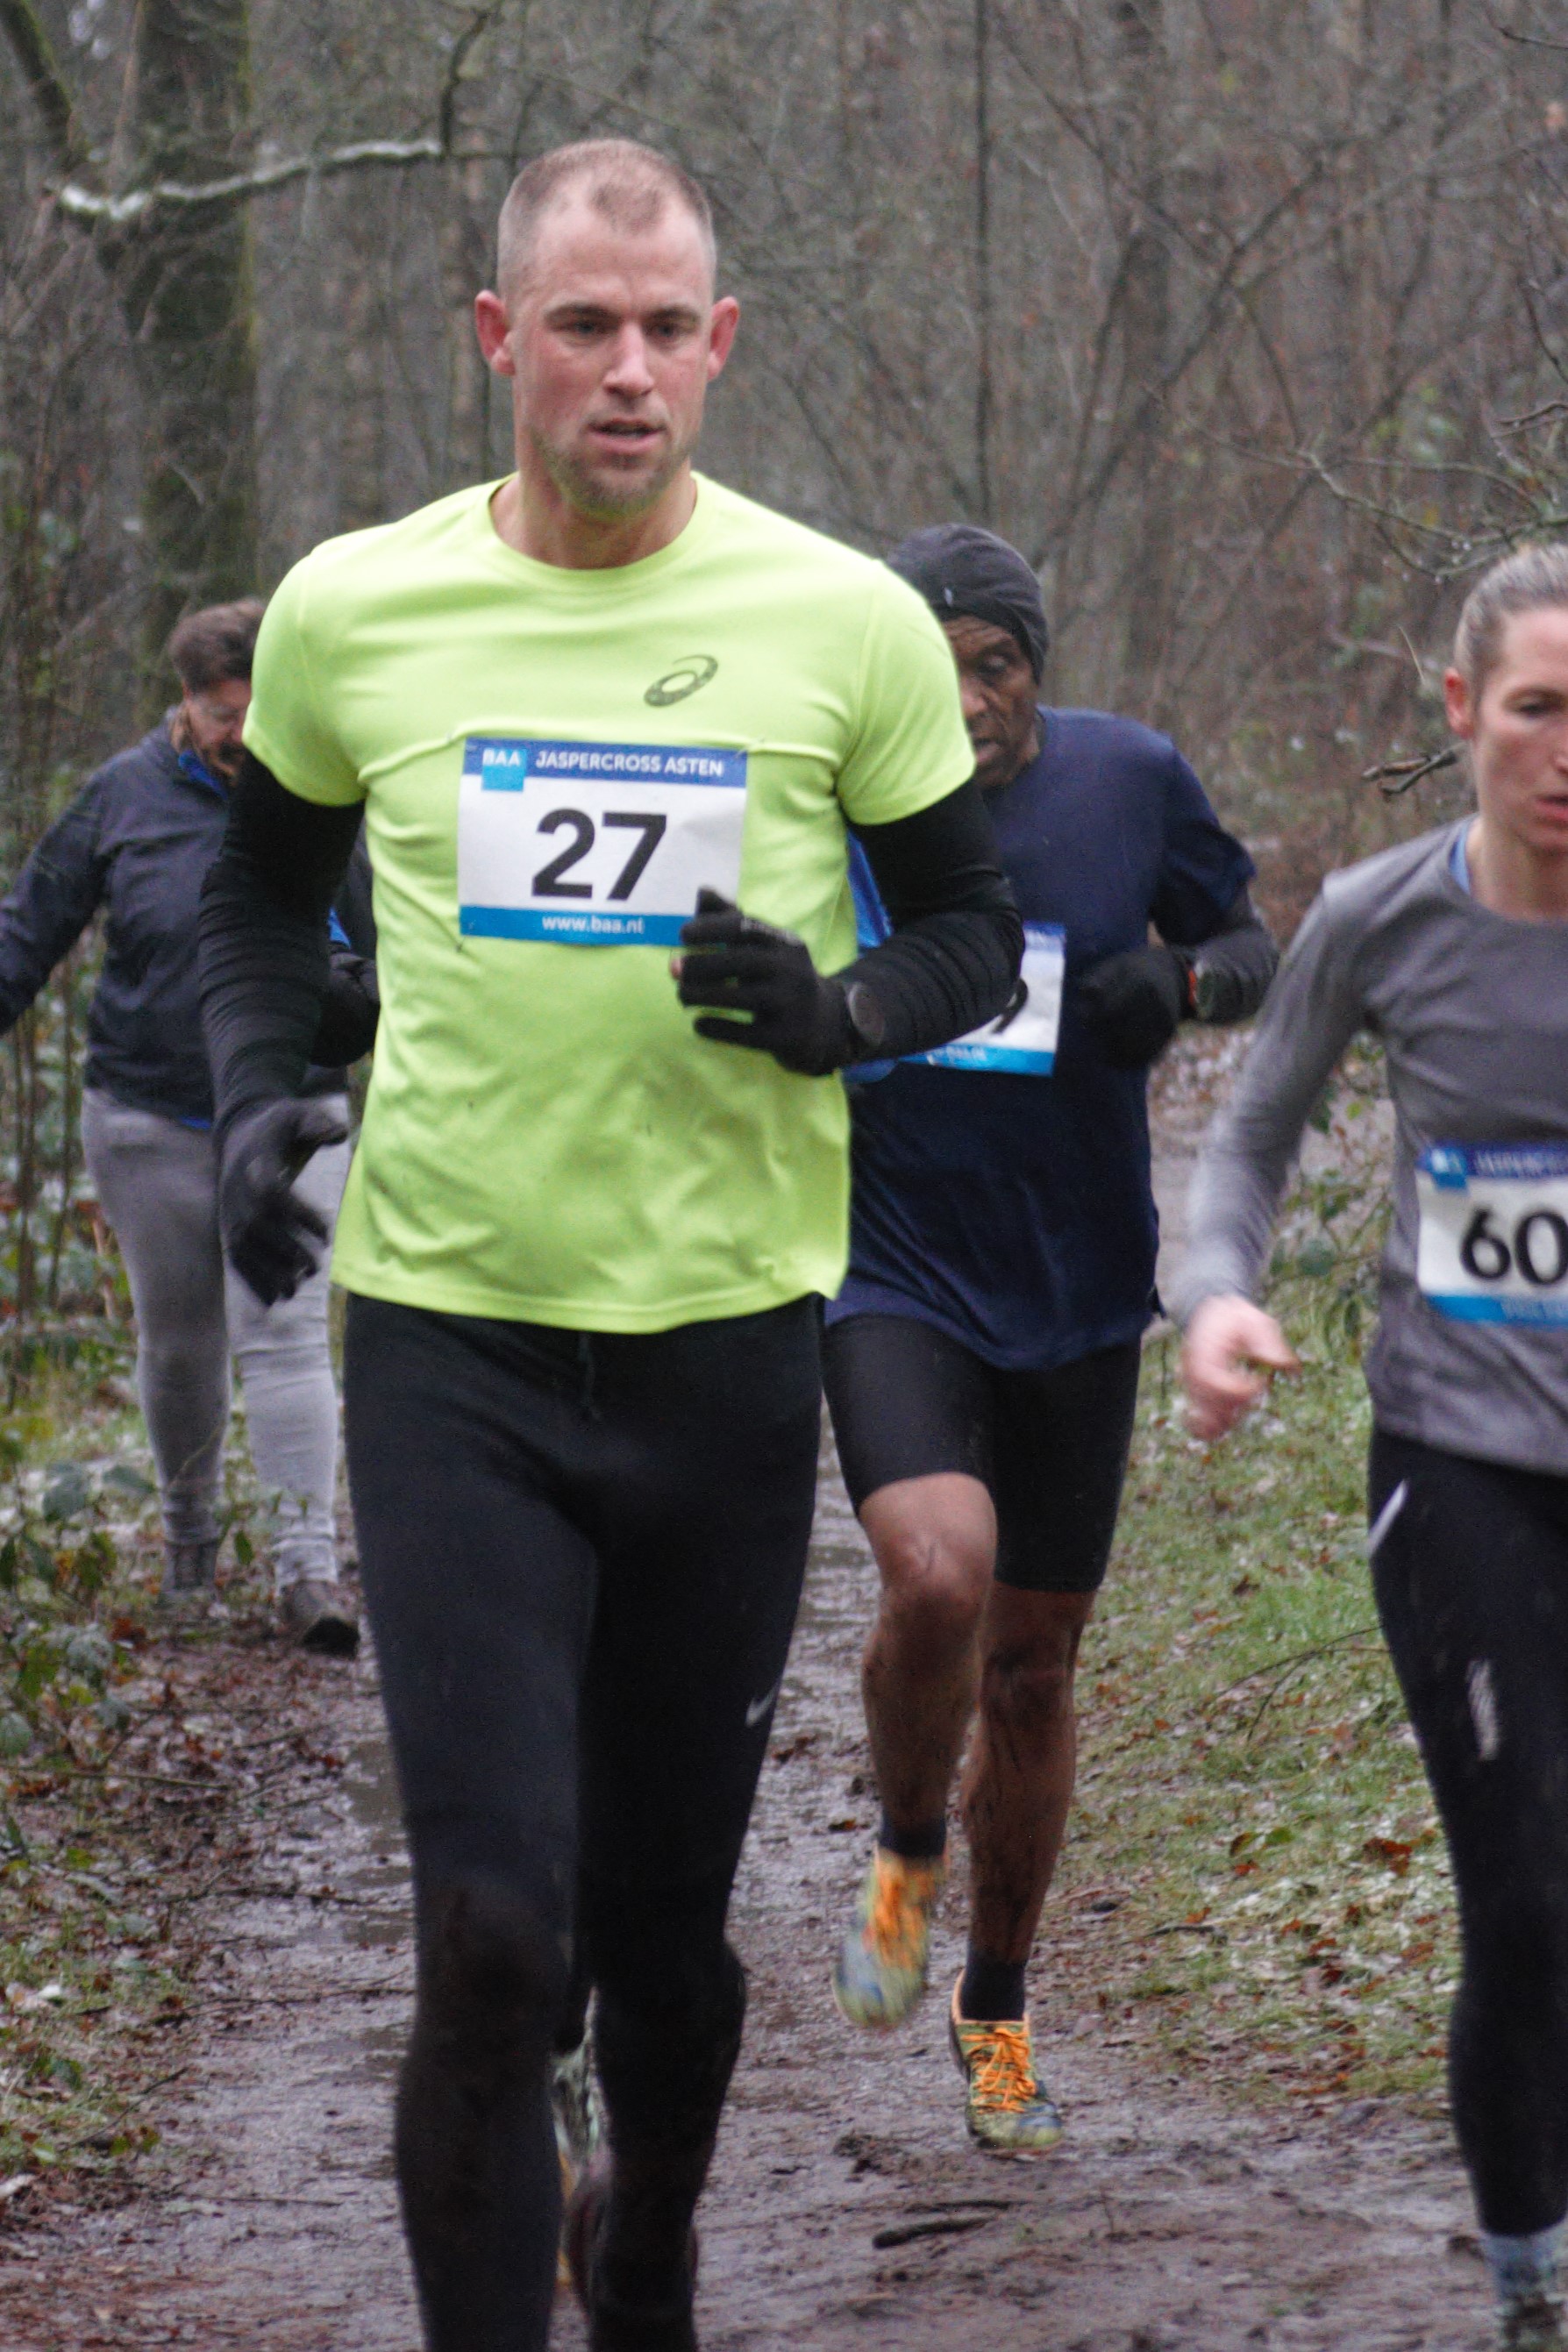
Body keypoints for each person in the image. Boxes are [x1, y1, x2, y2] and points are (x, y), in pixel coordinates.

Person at [196, 140, 1021, 2352]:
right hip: (450, 1341)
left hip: (719, 1353)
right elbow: (257, 901)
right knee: (490, 1935)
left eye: (667, 329)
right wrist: (259, 1088)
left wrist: (838, 1012)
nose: (628, 369)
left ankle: (644, 2229)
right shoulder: (353, 608)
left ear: (721, 345)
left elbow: (968, 930)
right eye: (584, 325)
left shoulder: (840, 621)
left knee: (660, 1944)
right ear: (502, 341)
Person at [822, 524, 1277, 2152]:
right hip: (890, 1270)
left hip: (1079, 1287)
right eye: (932, 666)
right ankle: (903, 1845)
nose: (966, 699)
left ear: (1036, 670)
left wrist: (1180, 984)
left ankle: (997, 2006)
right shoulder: (835, 789)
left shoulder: (1126, 779)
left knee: (1029, 1671)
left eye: (994, 665)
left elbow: (1250, 949)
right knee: (936, 1577)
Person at [1177, 542, 1568, 2352]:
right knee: (1530, 1891)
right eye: (1537, 709)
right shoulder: (1379, 914)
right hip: (1459, 1461)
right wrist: (1216, 1297)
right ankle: (1529, 2283)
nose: (1564, 751)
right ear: (1462, 711)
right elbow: (1249, 1138)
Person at [0, 601, 374, 1653]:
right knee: (179, 1343)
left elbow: (383, 947)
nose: (242, 734)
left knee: (288, 1332)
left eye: (259, 711)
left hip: (294, 1112)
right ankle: (190, 1547)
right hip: (148, 1119)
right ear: (185, 701)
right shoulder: (122, 796)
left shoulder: (322, 793)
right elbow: (29, 929)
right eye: (222, 713)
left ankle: (308, 1569)